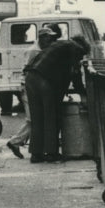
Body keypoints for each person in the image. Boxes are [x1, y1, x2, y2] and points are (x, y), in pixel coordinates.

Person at [23, 34, 90, 163]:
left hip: (31, 78)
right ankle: (51, 153)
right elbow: (75, 73)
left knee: (37, 118)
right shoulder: (76, 48)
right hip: (44, 80)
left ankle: (36, 154)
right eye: (82, 55)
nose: (81, 57)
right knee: (51, 117)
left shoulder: (59, 44)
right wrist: (83, 94)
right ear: (82, 47)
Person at [6, 24, 61, 159]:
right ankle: (15, 142)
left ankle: (18, 143)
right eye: (49, 39)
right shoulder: (35, 52)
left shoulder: (38, 50)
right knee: (33, 120)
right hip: (28, 87)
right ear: (42, 38)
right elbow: (29, 70)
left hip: (29, 86)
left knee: (34, 119)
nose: (51, 42)